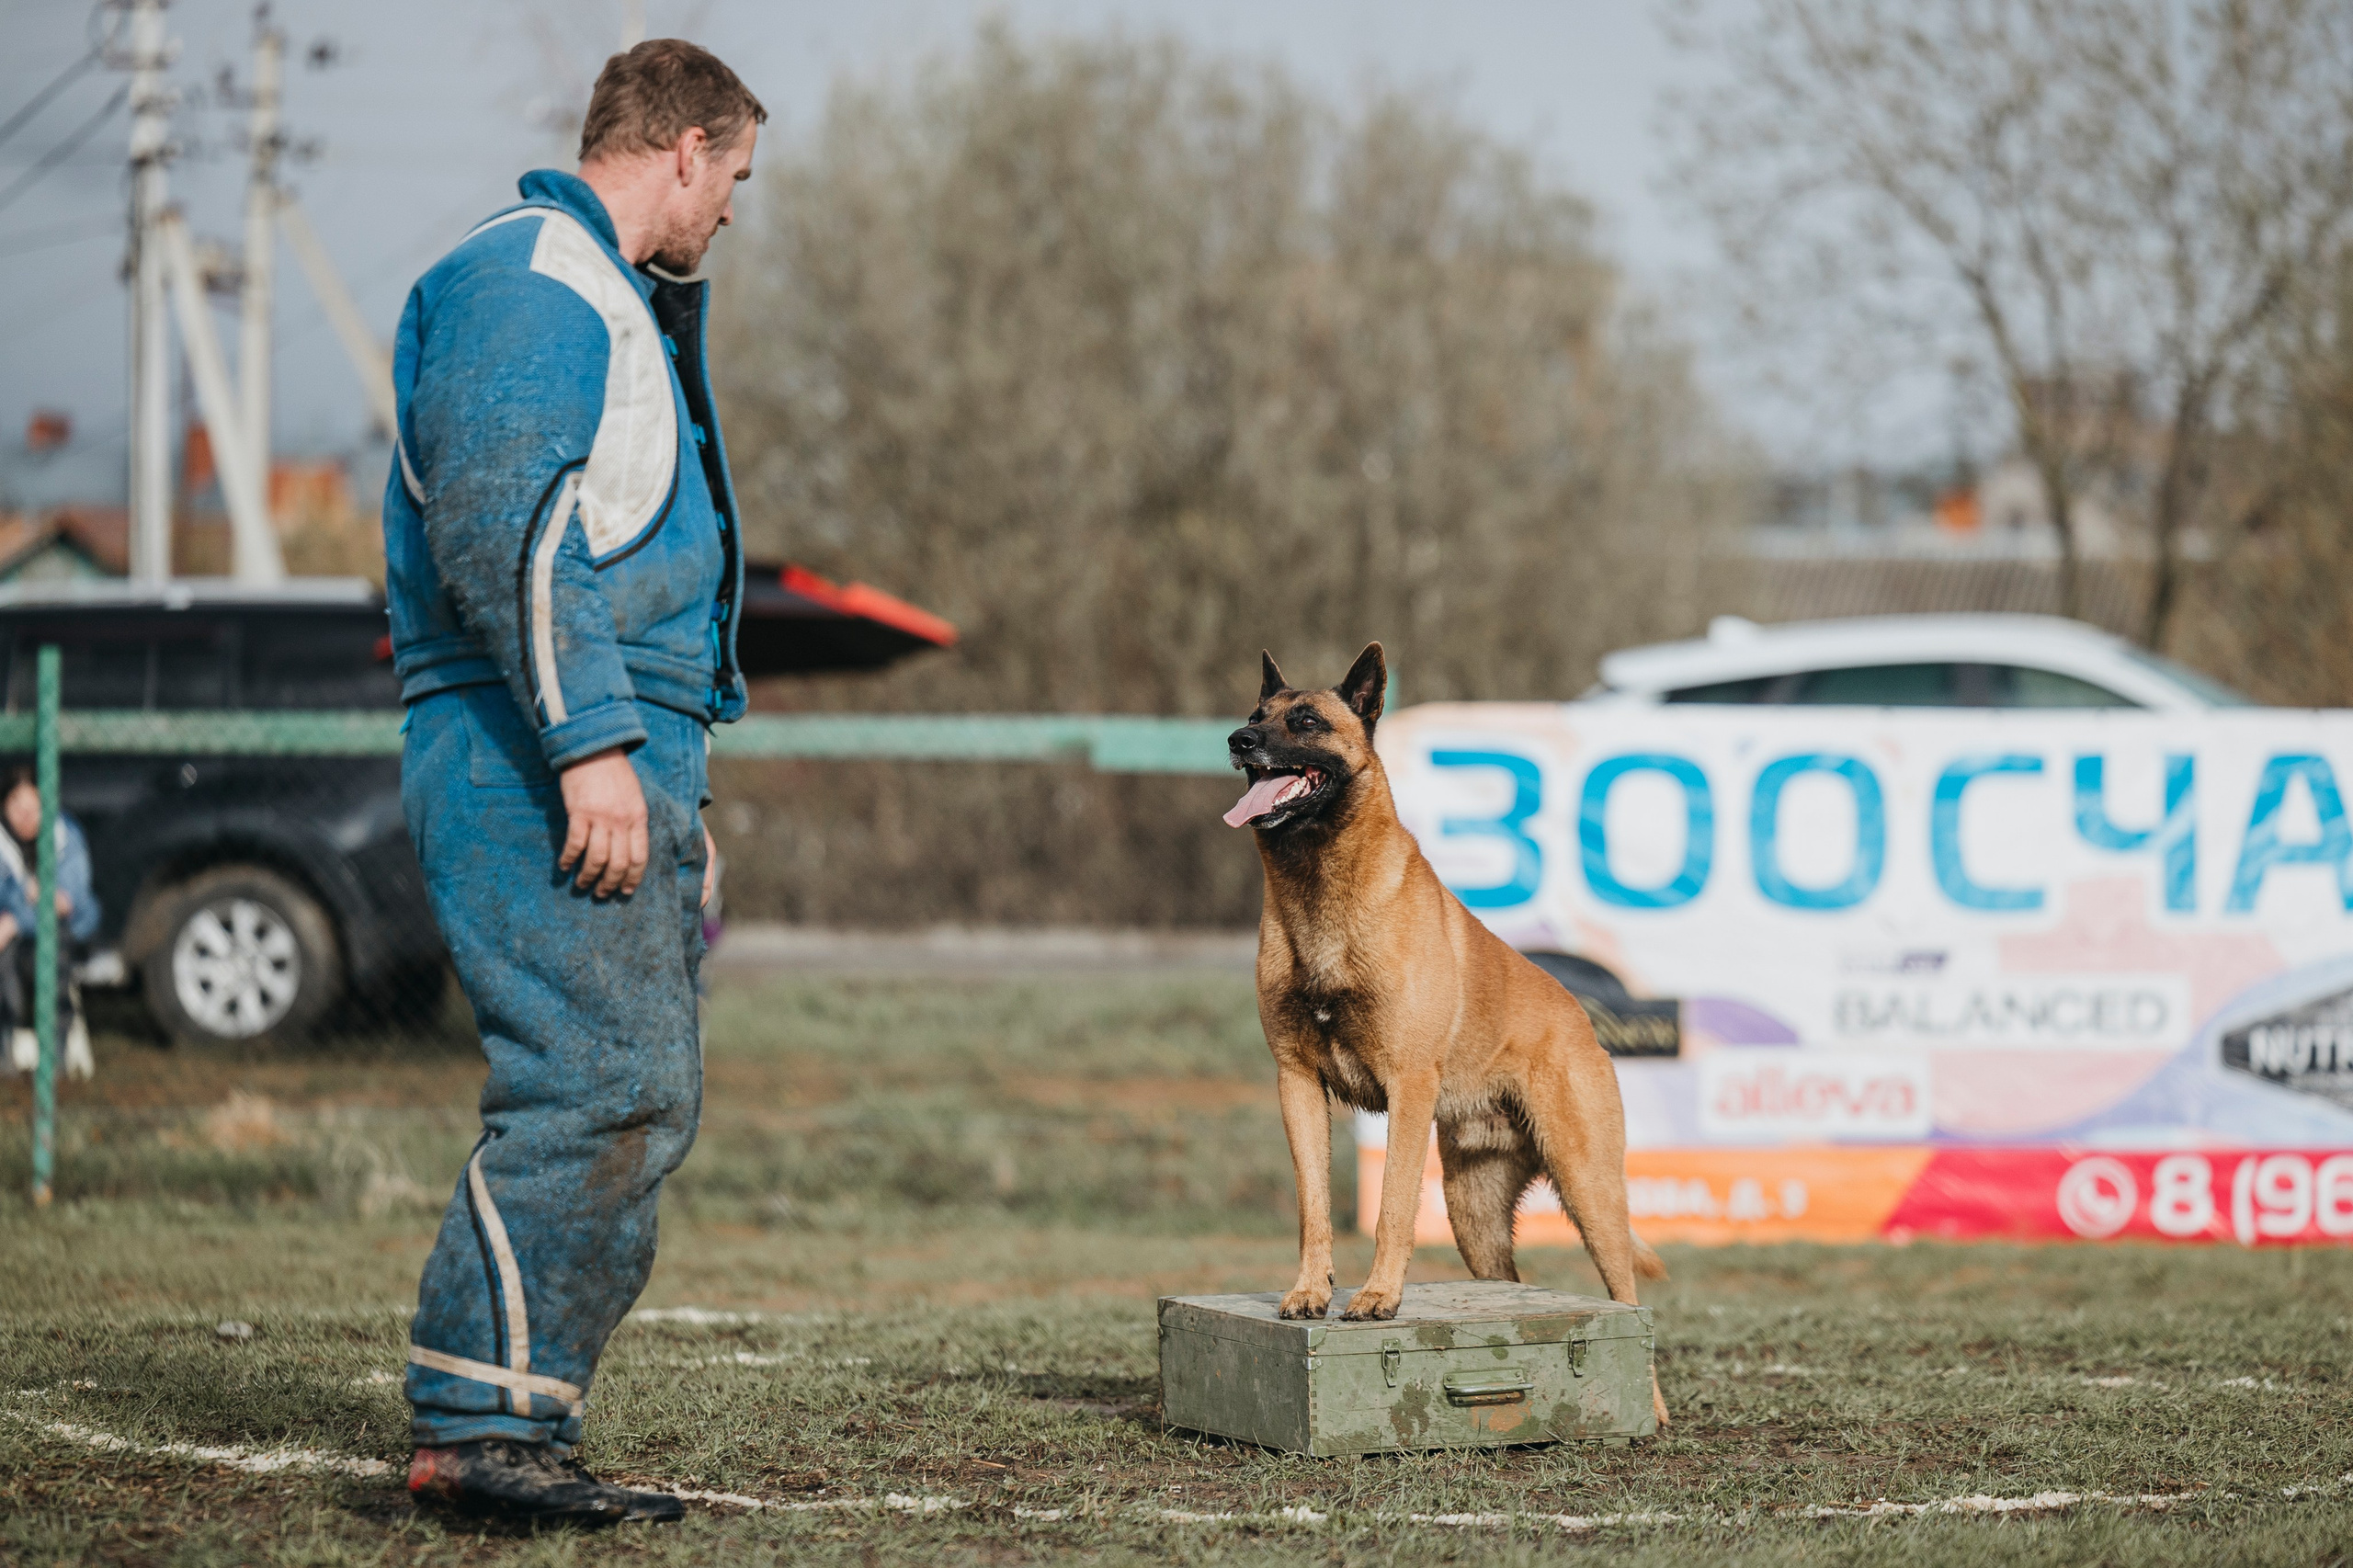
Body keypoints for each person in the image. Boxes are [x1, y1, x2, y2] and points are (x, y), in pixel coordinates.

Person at [381, 39, 760, 1527]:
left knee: (635, 1085)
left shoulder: (607, 294)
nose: (733, 208)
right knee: (591, 1081)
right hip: (529, 738)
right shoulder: (533, 274)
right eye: (733, 176)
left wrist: (682, 798)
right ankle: (476, 1427)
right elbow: (506, 513)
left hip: (602, 737)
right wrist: (593, 744)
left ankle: (506, 1414)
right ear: (681, 148)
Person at [0, 767, 97, 1082]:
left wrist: (16, 917)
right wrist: (31, 898)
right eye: (17, 805)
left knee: (53, 951)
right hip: (11, 939)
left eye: (35, 806)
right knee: (5, 959)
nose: (26, 816)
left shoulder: (65, 834)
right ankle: (5, 1054)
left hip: (67, 933)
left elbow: (69, 901)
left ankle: (54, 1059)